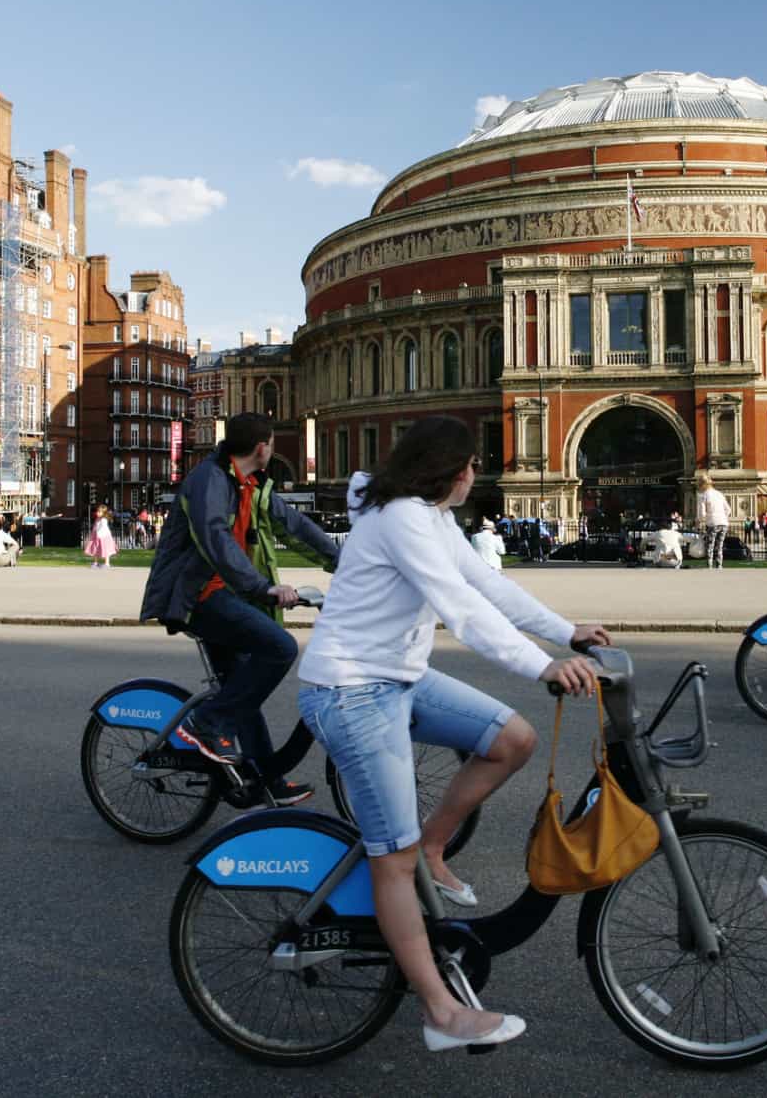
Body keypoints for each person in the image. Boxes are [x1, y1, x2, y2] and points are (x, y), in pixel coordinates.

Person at [297, 415, 609, 1053]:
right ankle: (441, 1013)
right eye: (470, 463)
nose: (476, 473)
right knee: (392, 858)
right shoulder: (402, 519)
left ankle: (435, 848)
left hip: (399, 680)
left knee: (511, 740)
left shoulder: (431, 517)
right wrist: (543, 665)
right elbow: (461, 609)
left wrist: (566, 630)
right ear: (445, 469)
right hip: (350, 692)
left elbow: (486, 583)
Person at [141, 412, 341, 805]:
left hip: (225, 593)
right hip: (195, 595)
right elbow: (214, 540)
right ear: (262, 447)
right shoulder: (209, 481)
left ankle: (265, 781)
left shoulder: (251, 483)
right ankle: (209, 722)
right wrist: (261, 587)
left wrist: (344, 563)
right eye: (271, 445)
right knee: (279, 648)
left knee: (242, 689)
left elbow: (295, 526)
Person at [696, 474, 729, 569]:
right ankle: (719, 565)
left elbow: (701, 513)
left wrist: (700, 521)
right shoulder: (719, 494)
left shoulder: (703, 495)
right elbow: (728, 509)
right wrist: (723, 517)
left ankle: (709, 565)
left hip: (712, 523)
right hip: (723, 523)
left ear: (702, 485)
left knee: (710, 545)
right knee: (720, 545)